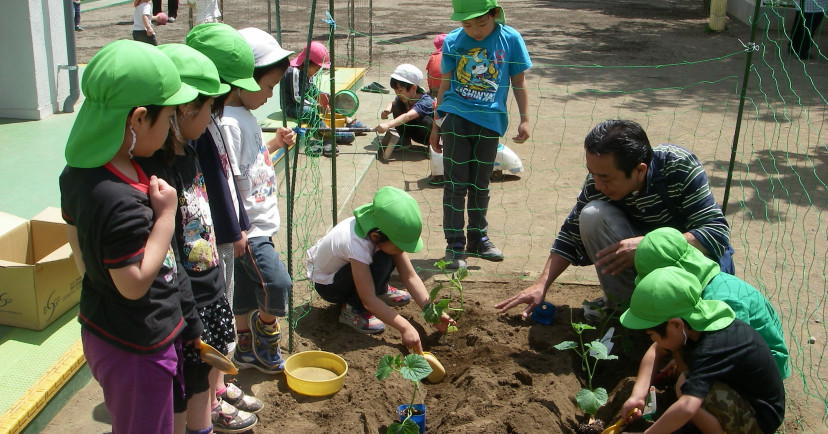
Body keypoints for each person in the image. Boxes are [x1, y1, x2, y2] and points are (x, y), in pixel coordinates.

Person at [59, 40, 201, 434]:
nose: (173, 127)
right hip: (136, 345)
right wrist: (166, 218)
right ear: (138, 119)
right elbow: (134, 283)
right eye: (168, 116)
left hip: (106, 327)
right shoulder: (120, 200)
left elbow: (81, 256)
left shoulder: (80, 174)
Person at [495, 119, 733, 323]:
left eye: (605, 178)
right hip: (647, 264)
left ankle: (676, 308)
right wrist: (541, 285)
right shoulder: (598, 183)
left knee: (706, 321)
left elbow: (716, 232)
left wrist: (651, 245)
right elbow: (570, 235)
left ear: (640, 170)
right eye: (592, 173)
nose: (597, 185)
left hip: (689, 265)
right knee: (591, 214)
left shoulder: (678, 166)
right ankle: (627, 309)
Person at [141, 43, 259, 434]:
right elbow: (169, 245)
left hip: (205, 282)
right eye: (209, 107)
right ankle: (207, 412)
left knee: (208, 362)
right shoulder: (160, 169)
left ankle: (213, 402)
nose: (214, 116)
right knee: (192, 375)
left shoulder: (190, 148)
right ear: (186, 108)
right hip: (188, 293)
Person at [619, 227, 790, 425]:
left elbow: (734, 355)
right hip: (729, 361)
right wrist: (638, 394)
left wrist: (686, 368)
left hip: (756, 381)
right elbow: (659, 347)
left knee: (685, 383)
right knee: (682, 368)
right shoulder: (693, 296)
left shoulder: (723, 300)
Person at [214, 26, 296, 374]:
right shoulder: (227, 124)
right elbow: (226, 180)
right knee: (278, 285)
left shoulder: (245, 116)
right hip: (250, 231)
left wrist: (274, 144)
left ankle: (246, 347)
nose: (269, 95)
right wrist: (237, 230)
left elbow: (250, 165)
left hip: (259, 225)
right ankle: (266, 332)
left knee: (246, 290)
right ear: (243, 80)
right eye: (268, 87)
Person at [429, 0, 532, 269]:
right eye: (467, 24)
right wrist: (436, 125)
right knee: (455, 184)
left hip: (490, 121)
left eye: (481, 22)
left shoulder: (510, 39)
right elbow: (445, 85)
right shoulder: (453, 41)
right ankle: (454, 245)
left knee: (481, 184)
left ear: (494, 13)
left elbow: (518, 82)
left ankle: (478, 239)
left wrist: (525, 120)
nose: (475, 30)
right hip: (456, 116)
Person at [305, 187, 455, 351]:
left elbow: (410, 277)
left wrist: (433, 312)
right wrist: (405, 327)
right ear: (376, 236)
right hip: (330, 285)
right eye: (399, 246)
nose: (401, 251)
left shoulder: (380, 228)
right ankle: (353, 310)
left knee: (387, 255)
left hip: (351, 269)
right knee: (382, 260)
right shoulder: (356, 243)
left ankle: (380, 289)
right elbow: (368, 299)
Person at [279, 41, 360, 155]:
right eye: (317, 68)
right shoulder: (294, 72)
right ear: (308, 63)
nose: (317, 72)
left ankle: (347, 121)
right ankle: (329, 133)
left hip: (303, 101)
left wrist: (324, 96)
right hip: (291, 106)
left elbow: (312, 90)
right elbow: (297, 98)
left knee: (328, 102)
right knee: (311, 111)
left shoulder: (309, 73)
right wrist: (315, 104)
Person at [374, 64, 434, 151]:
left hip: (425, 136)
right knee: (397, 104)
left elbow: (408, 116)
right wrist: (387, 111)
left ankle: (432, 146)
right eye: (395, 90)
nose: (397, 93)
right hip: (413, 130)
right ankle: (405, 141)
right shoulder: (405, 97)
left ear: (413, 88)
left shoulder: (426, 102)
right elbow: (393, 103)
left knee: (427, 120)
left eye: (400, 90)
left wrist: (387, 125)